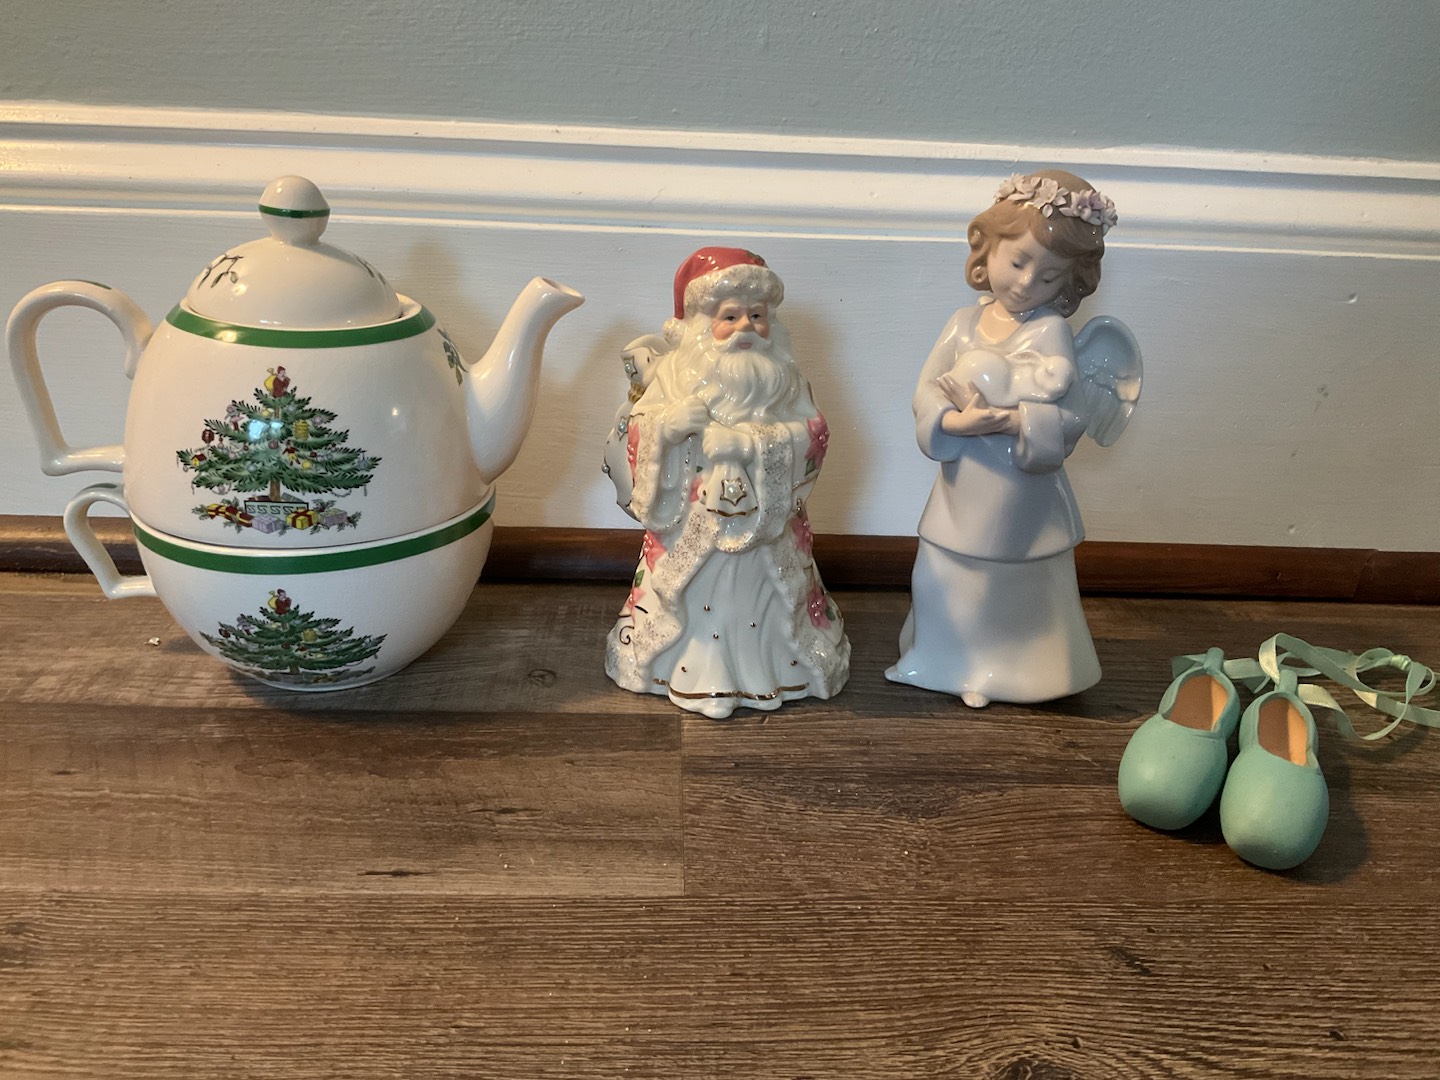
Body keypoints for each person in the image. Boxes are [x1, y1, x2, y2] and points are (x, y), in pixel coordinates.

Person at [885, 170, 1129, 708]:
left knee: (1007, 587)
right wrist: (955, 425)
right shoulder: (962, 324)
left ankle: (1011, 673)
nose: (1025, 283)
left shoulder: (1050, 333)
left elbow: (1071, 417)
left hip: (1021, 496)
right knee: (943, 573)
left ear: (1068, 281)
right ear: (987, 248)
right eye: (1017, 263)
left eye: (1048, 276)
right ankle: (939, 660)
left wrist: (1012, 421)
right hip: (962, 487)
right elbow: (926, 390)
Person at [603, 247, 850, 719]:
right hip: (691, 530)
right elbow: (638, 428)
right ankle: (692, 669)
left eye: (757, 316)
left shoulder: (785, 378)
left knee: (765, 601)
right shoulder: (673, 376)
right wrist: (668, 429)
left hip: (766, 536)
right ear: (700, 324)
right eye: (730, 316)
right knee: (693, 602)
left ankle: (770, 669)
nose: (745, 328)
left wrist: (752, 444)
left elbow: (813, 433)